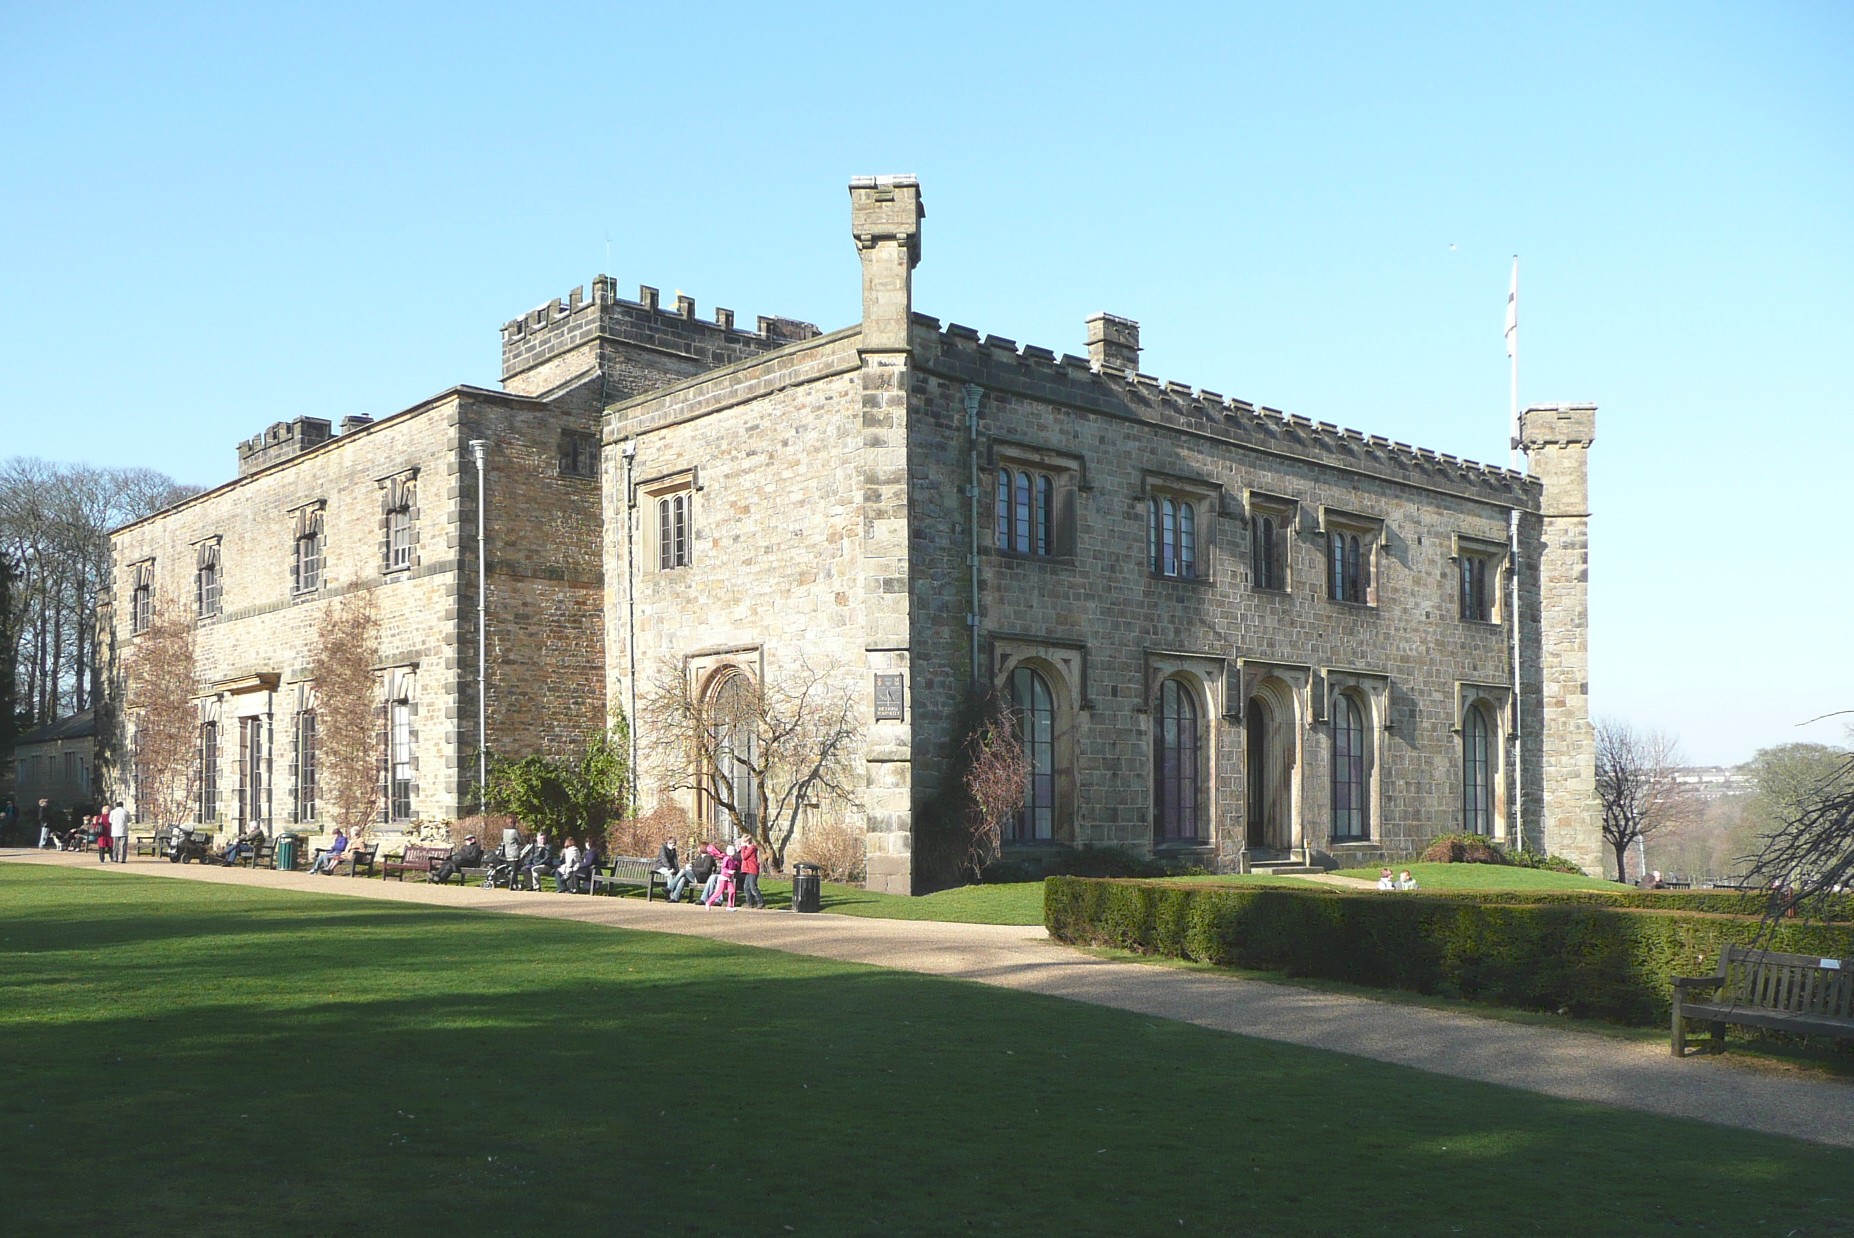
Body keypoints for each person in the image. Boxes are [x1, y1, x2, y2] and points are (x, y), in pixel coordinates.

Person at [705, 844, 741, 909]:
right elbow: (724, 869)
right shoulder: (726, 859)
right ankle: (709, 902)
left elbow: (734, 866)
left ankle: (729, 905)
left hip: (729, 878)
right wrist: (729, 871)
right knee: (719, 892)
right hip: (723, 878)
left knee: (732, 891)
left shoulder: (732, 860)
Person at [736, 835, 765, 909]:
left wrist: (743, 847)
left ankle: (760, 901)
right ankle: (750, 903)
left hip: (752, 869)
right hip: (748, 870)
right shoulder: (747, 848)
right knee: (746, 887)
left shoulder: (752, 848)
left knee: (753, 887)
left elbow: (743, 857)